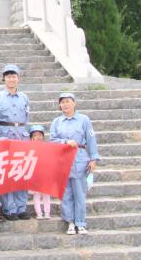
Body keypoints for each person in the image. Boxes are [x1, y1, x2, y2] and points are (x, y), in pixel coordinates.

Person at [50, 92, 100, 235]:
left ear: (74, 103)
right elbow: (52, 140)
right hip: (63, 161)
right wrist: (65, 142)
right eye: (62, 102)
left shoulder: (84, 120)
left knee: (80, 193)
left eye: (67, 101)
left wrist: (93, 158)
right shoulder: (57, 122)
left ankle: (80, 222)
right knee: (66, 194)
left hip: (80, 159)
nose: (65, 104)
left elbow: (91, 139)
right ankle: (70, 222)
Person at [0, 64, 30, 220]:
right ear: (3, 79)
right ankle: (9, 208)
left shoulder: (24, 97)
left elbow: (27, 118)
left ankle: (21, 207)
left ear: (18, 78)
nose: (11, 79)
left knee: (21, 172)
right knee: (6, 173)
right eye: (8, 76)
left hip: (21, 135)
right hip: (4, 135)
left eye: (14, 76)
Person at [28, 124, 52, 219]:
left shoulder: (47, 146)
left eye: (39, 135)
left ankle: (47, 212)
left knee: (46, 194)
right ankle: (38, 213)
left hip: (45, 174)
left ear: (43, 136)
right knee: (36, 195)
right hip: (35, 174)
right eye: (35, 135)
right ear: (31, 138)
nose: (37, 137)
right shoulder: (29, 148)